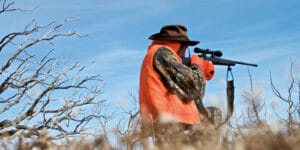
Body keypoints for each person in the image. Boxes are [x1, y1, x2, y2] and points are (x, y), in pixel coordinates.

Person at [139, 24, 216, 146]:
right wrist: (198, 66)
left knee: (213, 114)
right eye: (185, 47)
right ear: (178, 45)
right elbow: (194, 85)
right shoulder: (162, 53)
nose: (185, 52)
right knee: (214, 114)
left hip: (173, 122)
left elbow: (193, 94)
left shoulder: (156, 54)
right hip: (175, 123)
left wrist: (203, 75)